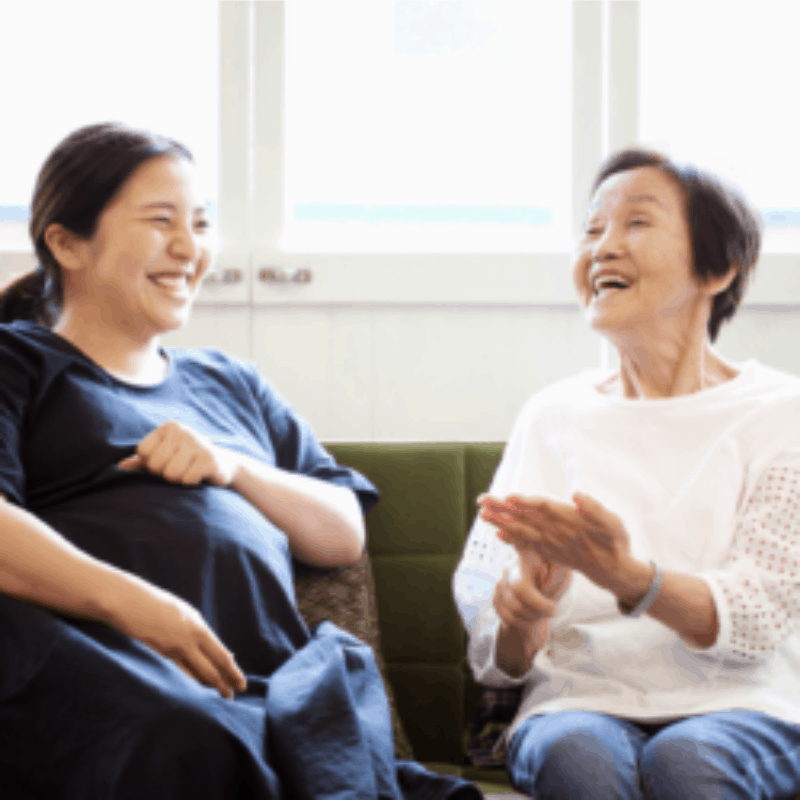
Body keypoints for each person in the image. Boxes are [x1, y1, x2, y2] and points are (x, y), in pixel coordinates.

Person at [0, 122, 480, 800]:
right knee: (191, 739)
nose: (189, 247)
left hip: (271, 686)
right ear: (67, 242)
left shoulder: (233, 384)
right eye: (160, 220)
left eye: (200, 223)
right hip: (113, 669)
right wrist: (136, 605)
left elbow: (344, 531)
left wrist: (231, 466)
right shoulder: (18, 362)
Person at [453, 148, 800, 799]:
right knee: (580, 760)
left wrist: (626, 576)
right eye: (591, 231)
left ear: (718, 267)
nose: (602, 249)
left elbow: (758, 616)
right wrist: (521, 624)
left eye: (636, 224)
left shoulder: (783, 412)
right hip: (576, 707)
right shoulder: (553, 415)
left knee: (687, 762)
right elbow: (495, 653)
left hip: (748, 705)